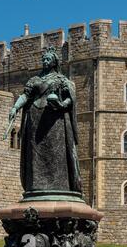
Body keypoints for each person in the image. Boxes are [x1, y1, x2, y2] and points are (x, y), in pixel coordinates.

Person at [7, 46, 82, 194]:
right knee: (35, 155)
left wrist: (61, 105)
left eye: (48, 59)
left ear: (54, 62)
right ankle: (36, 187)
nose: (45, 62)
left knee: (56, 153)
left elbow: (70, 99)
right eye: (44, 59)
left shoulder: (61, 80)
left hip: (55, 121)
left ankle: (60, 187)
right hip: (35, 119)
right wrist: (15, 107)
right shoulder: (34, 80)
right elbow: (25, 96)